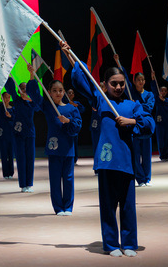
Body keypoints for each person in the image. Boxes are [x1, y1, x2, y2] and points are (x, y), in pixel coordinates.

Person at [64, 41, 154, 257]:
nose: (118, 87)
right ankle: (112, 244)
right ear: (104, 85)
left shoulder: (132, 106)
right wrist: (72, 58)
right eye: (114, 84)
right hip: (106, 161)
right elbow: (81, 81)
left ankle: (130, 244)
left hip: (126, 162)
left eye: (121, 83)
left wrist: (130, 122)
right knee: (107, 205)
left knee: (128, 206)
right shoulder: (100, 100)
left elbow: (149, 125)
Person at [27, 62, 81, 216]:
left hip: (68, 149)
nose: (58, 93)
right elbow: (35, 96)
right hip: (54, 149)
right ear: (49, 92)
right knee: (55, 179)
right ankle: (58, 208)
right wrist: (32, 77)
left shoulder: (71, 108)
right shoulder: (47, 106)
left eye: (60, 90)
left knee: (69, 179)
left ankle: (68, 207)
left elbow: (78, 126)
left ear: (64, 92)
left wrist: (68, 121)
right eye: (55, 91)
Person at [3, 76, 40, 192]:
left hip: (30, 133)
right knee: (21, 158)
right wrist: (6, 74)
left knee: (30, 158)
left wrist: (29, 98)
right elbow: (10, 87)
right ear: (19, 91)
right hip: (18, 133)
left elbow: (39, 106)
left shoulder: (32, 103)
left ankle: (29, 184)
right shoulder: (16, 99)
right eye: (22, 88)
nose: (23, 90)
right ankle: (23, 184)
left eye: (25, 88)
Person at [128, 71, 155, 187]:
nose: (141, 82)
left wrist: (136, 104)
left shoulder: (149, 94)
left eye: (142, 80)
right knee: (135, 154)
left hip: (146, 126)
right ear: (134, 81)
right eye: (138, 80)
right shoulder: (131, 93)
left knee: (146, 154)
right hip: (135, 126)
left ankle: (147, 178)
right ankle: (140, 178)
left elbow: (149, 108)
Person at [150, 70, 168, 161]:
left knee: (167, 139)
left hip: (167, 122)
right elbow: (154, 90)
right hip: (159, 122)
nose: (163, 92)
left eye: (164, 91)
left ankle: (166, 155)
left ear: (167, 92)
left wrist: (163, 100)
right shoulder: (157, 99)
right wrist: (153, 79)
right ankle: (161, 155)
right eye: (161, 91)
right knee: (160, 139)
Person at [0, 96, 15, 179]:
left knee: (11, 154)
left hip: (11, 134)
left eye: (8, 97)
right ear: (2, 98)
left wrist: (10, 116)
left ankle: (11, 172)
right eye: (5, 98)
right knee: (4, 154)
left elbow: (16, 119)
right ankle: (5, 173)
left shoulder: (13, 109)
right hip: (3, 134)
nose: (6, 99)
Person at [66, 88, 85, 164]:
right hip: (66, 125)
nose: (71, 94)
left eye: (72, 93)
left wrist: (75, 105)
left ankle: (74, 158)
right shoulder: (64, 103)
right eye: (69, 93)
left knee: (74, 143)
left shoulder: (76, 103)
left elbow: (83, 109)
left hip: (74, 126)